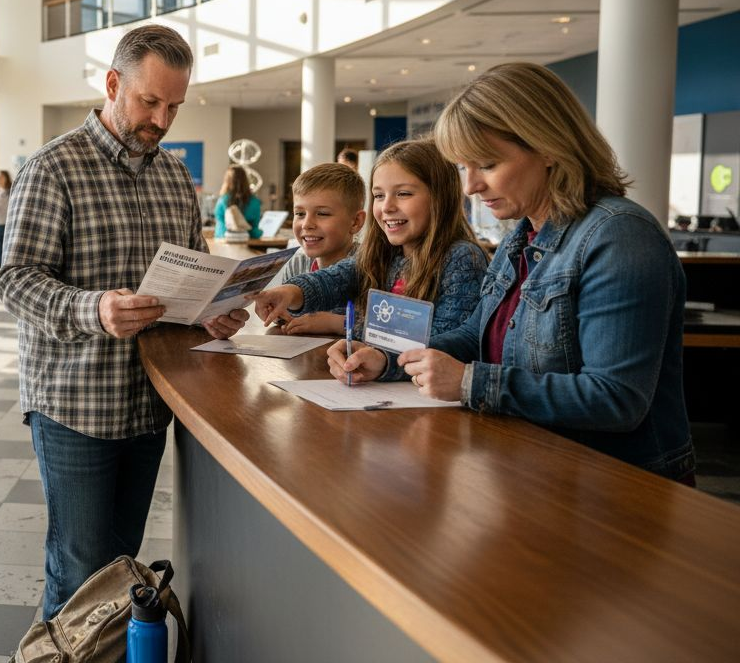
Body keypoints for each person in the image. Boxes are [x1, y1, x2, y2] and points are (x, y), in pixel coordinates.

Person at [328, 63, 696, 482]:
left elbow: (616, 399)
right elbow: (474, 336)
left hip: (615, 489)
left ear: (549, 148)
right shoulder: (522, 235)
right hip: (529, 469)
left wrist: (470, 382)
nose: (470, 187)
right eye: (463, 167)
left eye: (486, 164)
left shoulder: (620, 238)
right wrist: (386, 359)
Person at [0, 24, 248, 620]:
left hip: (147, 405)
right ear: (113, 84)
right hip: (75, 407)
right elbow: (15, 280)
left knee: (118, 571)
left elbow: (189, 270)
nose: (162, 120)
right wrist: (96, 309)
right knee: (78, 573)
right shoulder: (52, 168)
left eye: (175, 107)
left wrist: (212, 312)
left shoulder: (173, 178)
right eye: (150, 101)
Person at [253, 138, 488, 340]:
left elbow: (446, 336)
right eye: (378, 195)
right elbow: (334, 279)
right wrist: (292, 292)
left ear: (440, 198)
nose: (387, 207)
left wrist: (342, 324)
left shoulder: (462, 258)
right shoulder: (385, 252)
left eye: (403, 194)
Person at [264, 162, 366, 335]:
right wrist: (277, 312)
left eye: (323, 214)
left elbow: (385, 328)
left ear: (355, 222)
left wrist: (335, 323)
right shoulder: (298, 262)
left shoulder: (370, 263)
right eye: (300, 214)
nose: (307, 224)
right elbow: (288, 315)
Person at [213, 166, 262, 239]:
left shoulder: (223, 200)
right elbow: (254, 229)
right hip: (248, 241)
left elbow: (220, 226)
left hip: (224, 239)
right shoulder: (255, 202)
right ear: (245, 180)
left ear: (227, 181)